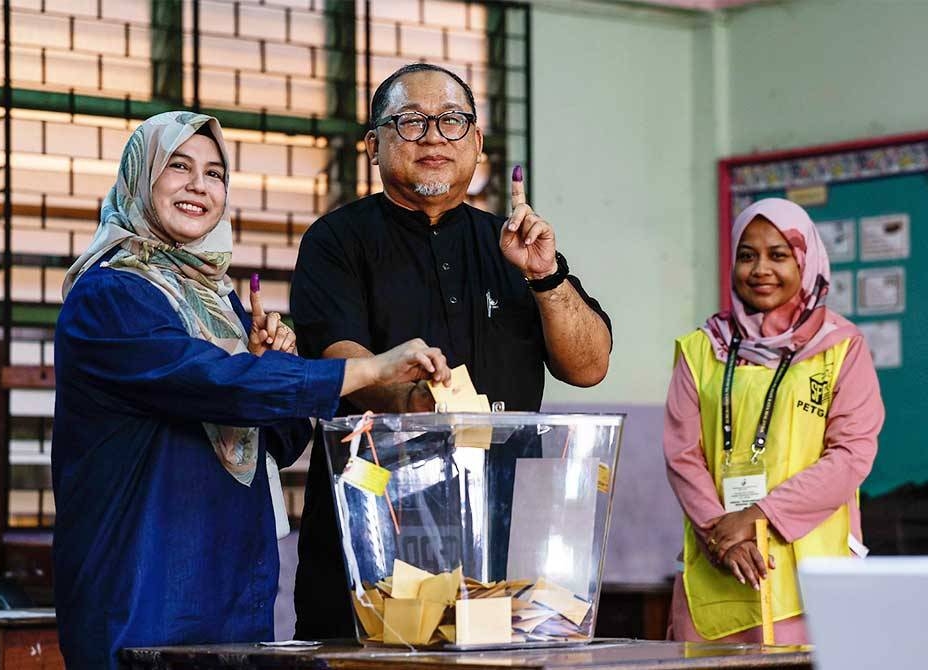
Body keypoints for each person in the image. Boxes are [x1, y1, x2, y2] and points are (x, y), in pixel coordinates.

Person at [51, 111, 451, 669]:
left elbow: (274, 442)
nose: (199, 185)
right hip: (143, 588)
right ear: (139, 179)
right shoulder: (110, 296)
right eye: (178, 167)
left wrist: (271, 361)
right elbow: (211, 382)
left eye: (215, 174)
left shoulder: (221, 303)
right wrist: (368, 371)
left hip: (233, 587)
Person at [290, 63, 613, 640]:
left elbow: (589, 367)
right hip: (373, 542)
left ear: (477, 143)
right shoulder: (336, 241)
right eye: (411, 122)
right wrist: (417, 400)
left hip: (500, 550)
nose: (434, 136)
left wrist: (545, 276)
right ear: (373, 145)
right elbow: (341, 361)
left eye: (453, 121)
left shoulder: (513, 243)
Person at [663, 198, 884, 644]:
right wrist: (722, 536)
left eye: (778, 255)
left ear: (806, 262)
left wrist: (758, 515)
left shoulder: (842, 348)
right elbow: (683, 456)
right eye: (747, 255)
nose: (760, 269)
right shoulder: (701, 349)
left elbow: (851, 455)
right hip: (720, 571)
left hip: (812, 584)